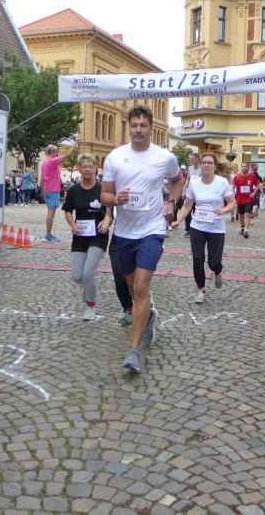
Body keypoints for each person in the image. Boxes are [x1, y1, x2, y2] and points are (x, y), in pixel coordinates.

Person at [101, 105, 183, 373]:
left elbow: (178, 181)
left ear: (151, 127)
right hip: (124, 232)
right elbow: (105, 195)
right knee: (132, 286)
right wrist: (117, 199)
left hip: (152, 230)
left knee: (140, 287)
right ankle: (148, 316)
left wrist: (171, 203)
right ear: (129, 127)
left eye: (143, 125)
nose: (138, 130)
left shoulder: (164, 157)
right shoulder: (115, 157)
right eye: (134, 125)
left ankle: (134, 351)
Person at [171, 152, 236, 303]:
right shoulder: (194, 184)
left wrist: (223, 210)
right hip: (197, 226)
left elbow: (232, 203)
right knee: (198, 259)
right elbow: (187, 206)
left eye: (209, 163)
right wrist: (178, 220)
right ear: (200, 165)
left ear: (214, 166)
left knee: (213, 263)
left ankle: (218, 271)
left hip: (216, 228)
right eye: (204, 162)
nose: (206, 165)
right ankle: (201, 290)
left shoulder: (222, 183)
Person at [62, 154, 112, 321]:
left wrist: (106, 222)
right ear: (79, 169)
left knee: (88, 272)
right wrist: (72, 225)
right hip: (80, 236)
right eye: (84, 167)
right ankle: (89, 285)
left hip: (98, 235)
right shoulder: (74, 190)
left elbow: (110, 212)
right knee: (77, 276)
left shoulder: (102, 189)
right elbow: (67, 211)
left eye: (91, 166)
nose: (88, 169)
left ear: (96, 169)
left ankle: (90, 306)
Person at [40, 141, 76, 242]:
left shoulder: (44, 163)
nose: (58, 153)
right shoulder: (53, 161)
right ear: (53, 152)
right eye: (57, 151)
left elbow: (42, 179)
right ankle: (48, 235)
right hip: (53, 190)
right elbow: (67, 155)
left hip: (47, 189)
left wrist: (43, 190)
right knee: (51, 213)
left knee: (50, 212)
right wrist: (74, 145)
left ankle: (48, 234)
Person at [232, 162, 259, 238]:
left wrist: (254, 193)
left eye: (245, 166)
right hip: (240, 198)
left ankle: (246, 230)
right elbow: (233, 185)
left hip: (249, 199)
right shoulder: (237, 177)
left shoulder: (252, 176)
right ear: (241, 168)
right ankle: (242, 228)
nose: (244, 168)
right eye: (242, 166)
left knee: (247, 214)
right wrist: (232, 193)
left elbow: (257, 185)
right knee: (241, 215)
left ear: (248, 167)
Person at [183, 152, 201, 237]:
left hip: (199, 193)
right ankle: (188, 229)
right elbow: (187, 180)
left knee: (196, 211)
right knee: (187, 211)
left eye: (192, 159)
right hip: (190, 193)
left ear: (197, 159)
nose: (191, 160)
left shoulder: (202, 168)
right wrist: (184, 190)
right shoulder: (190, 168)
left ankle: (197, 229)